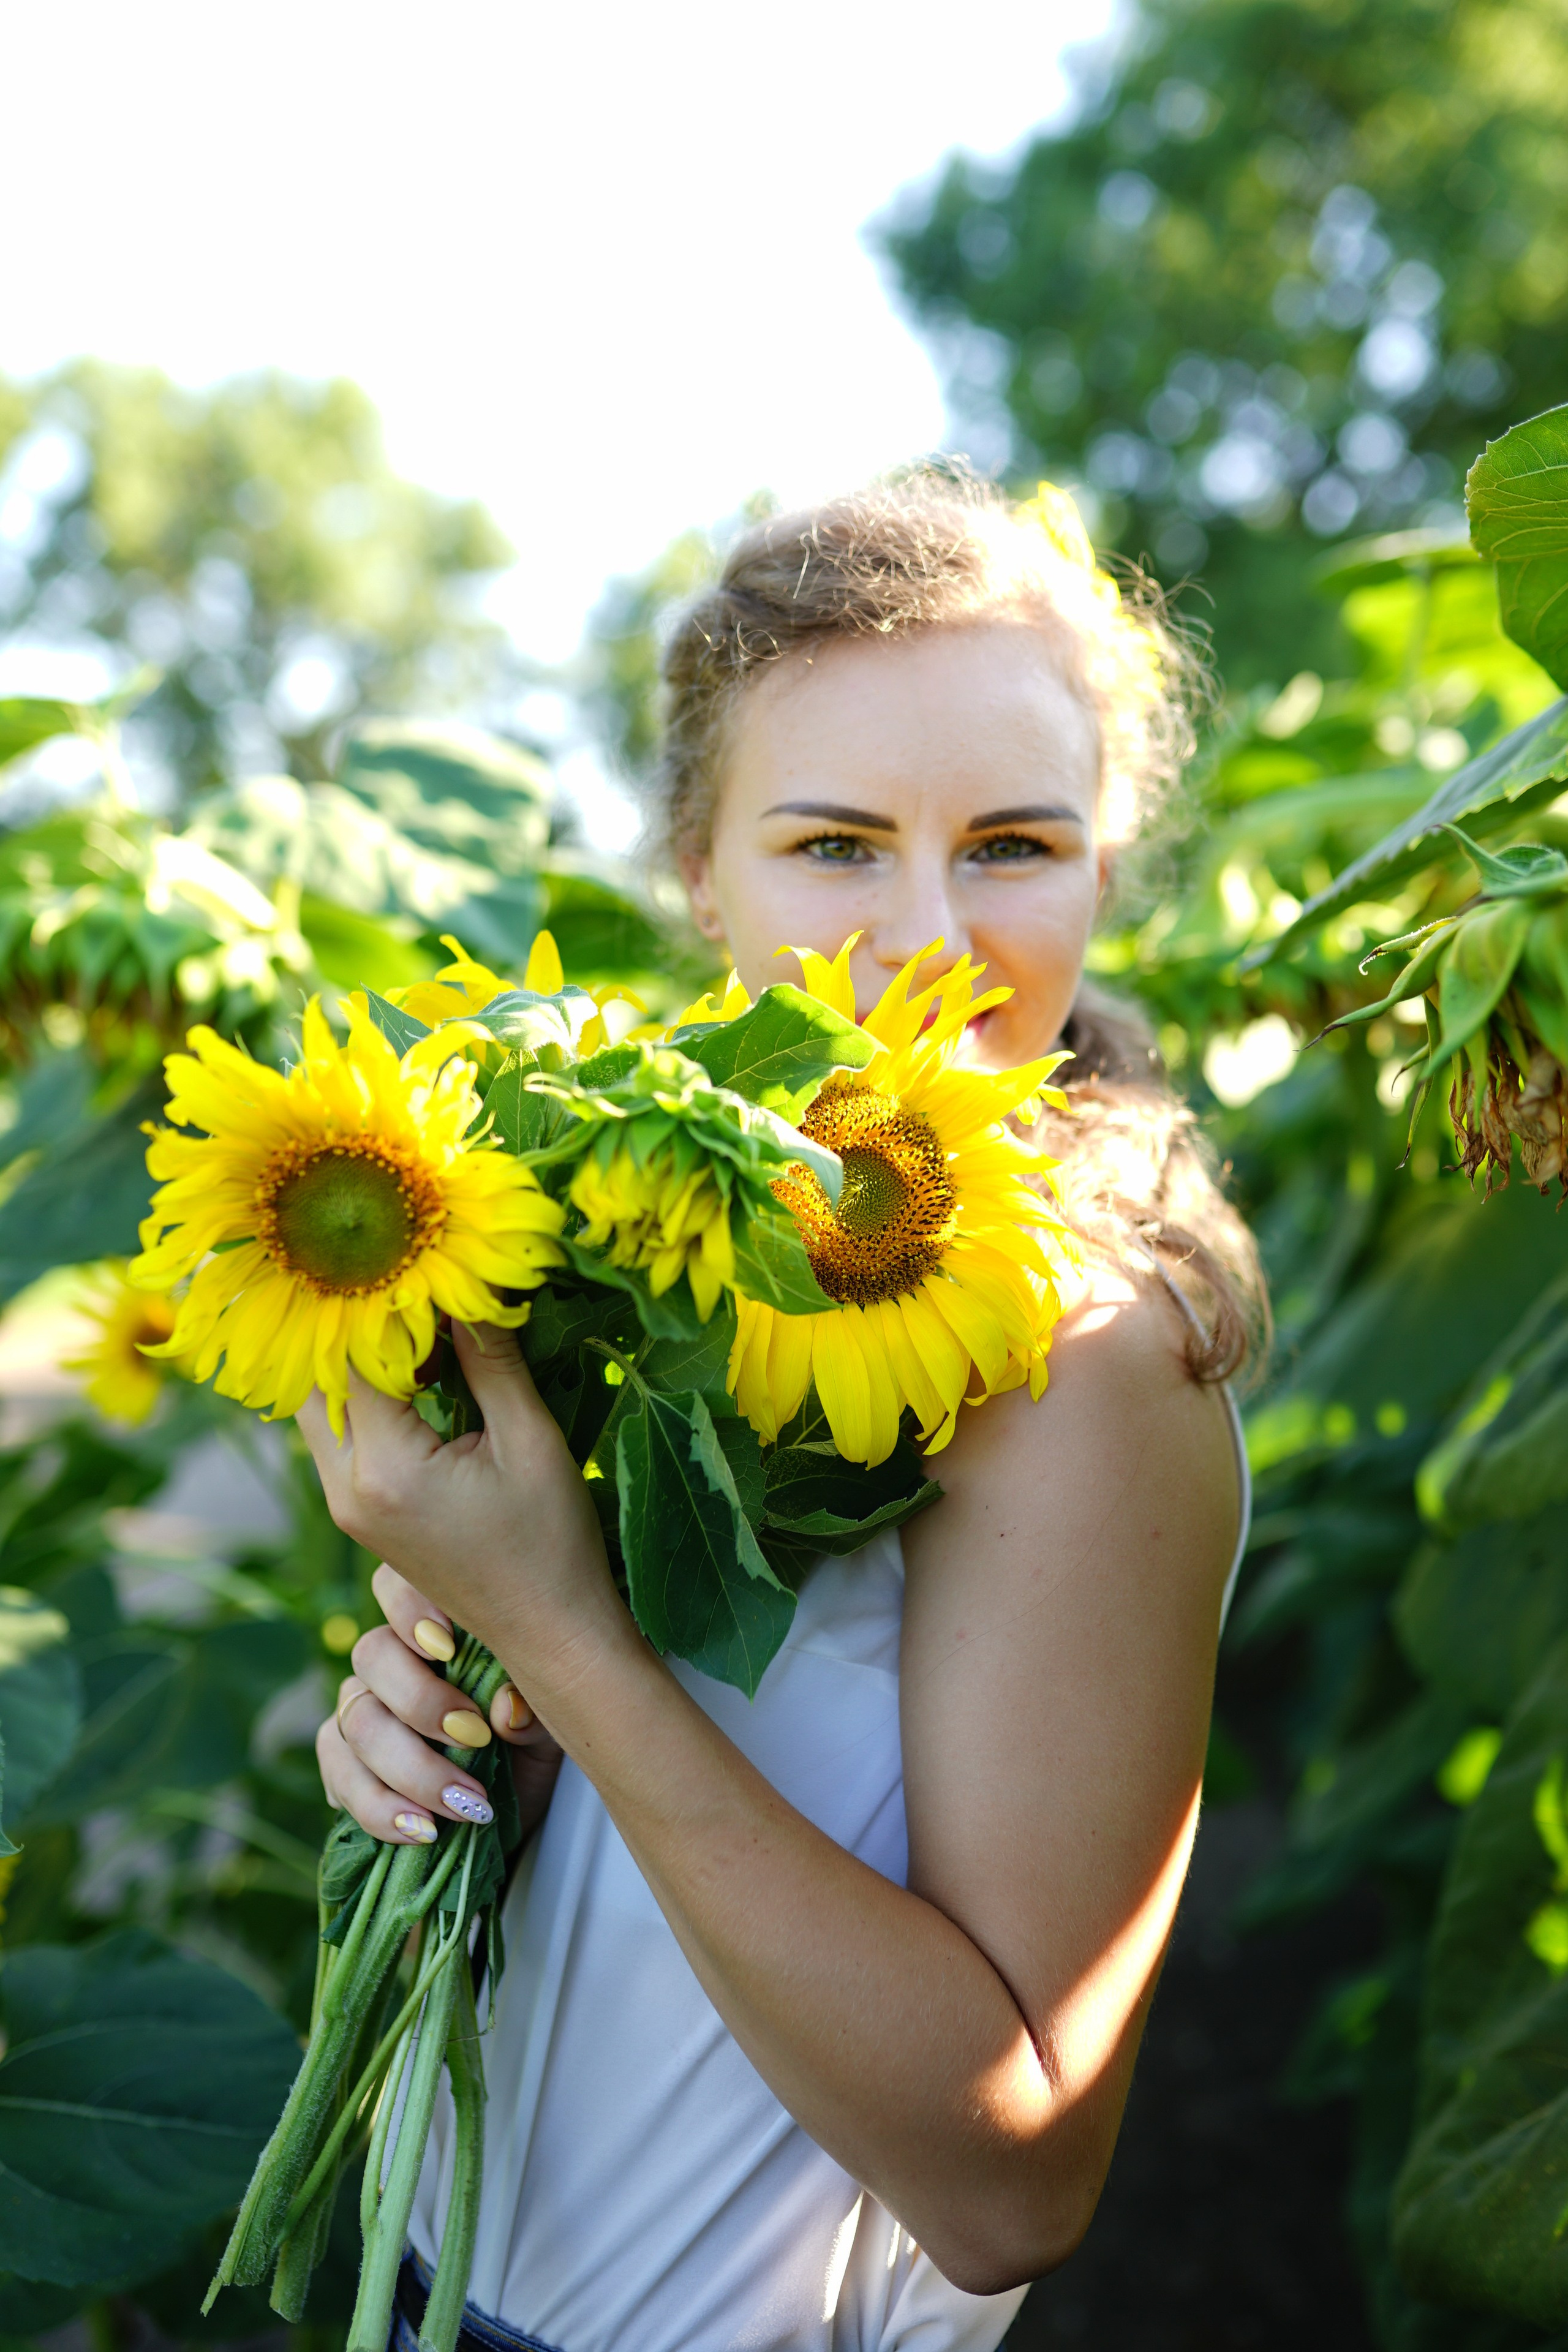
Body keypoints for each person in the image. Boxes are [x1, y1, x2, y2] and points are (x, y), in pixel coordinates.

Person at [306, 472, 1265, 2352]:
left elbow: (1013, 2185)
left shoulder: (1074, 1357)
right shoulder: (678, 1243)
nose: (930, 935)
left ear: (1102, 866)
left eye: (1011, 845)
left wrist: (559, 1633)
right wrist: (444, 1732)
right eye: (837, 845)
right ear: (698, 871)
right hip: (426, 2276)